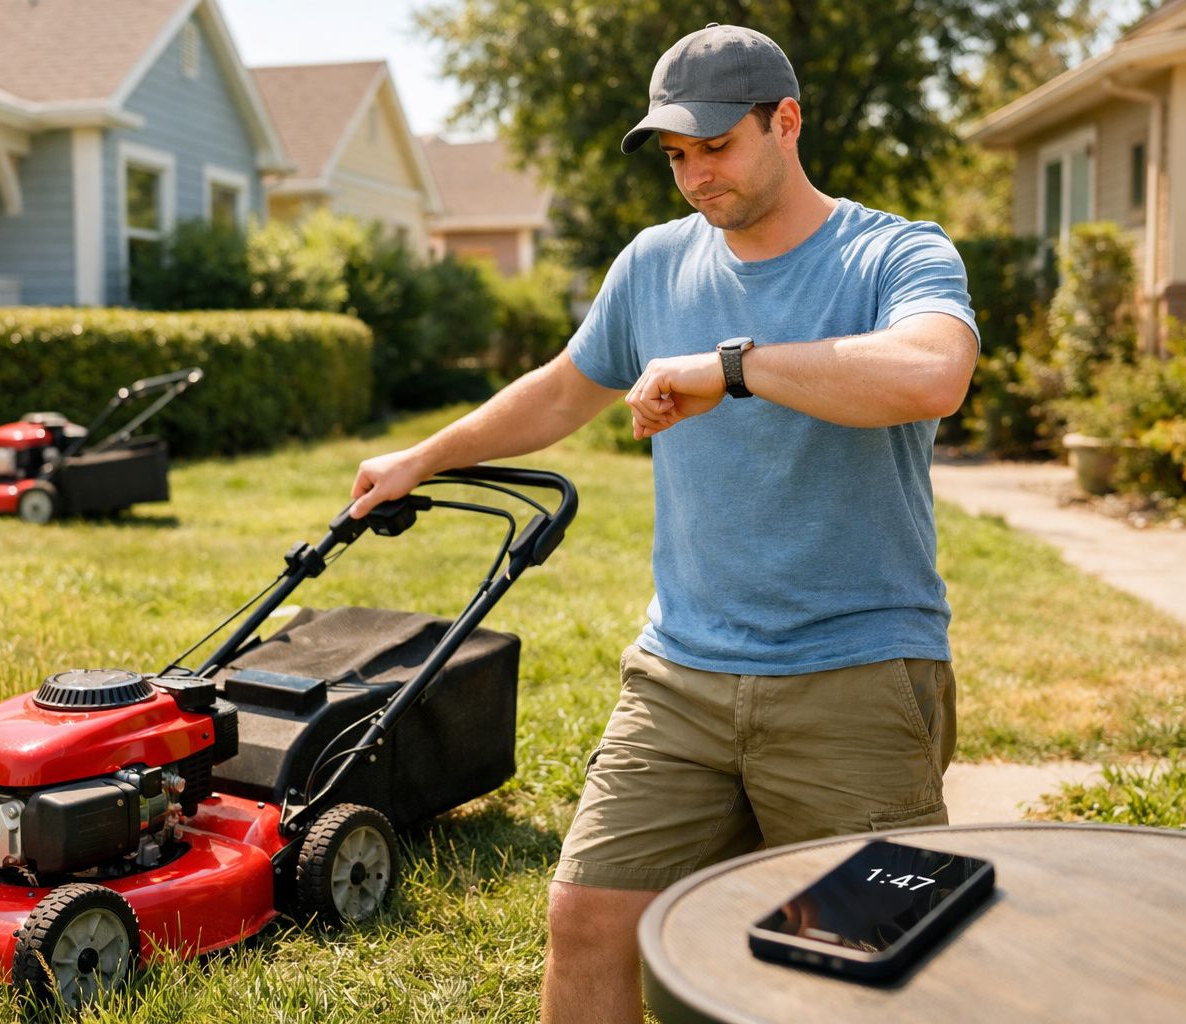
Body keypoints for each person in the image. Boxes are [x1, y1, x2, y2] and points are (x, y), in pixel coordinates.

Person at [348, 23, 978, 1024]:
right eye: (677, 156)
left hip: (855, 672)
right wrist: (422, 456)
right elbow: (562, 391)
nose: (694, 177)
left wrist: (733, 366)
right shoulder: (653, 265)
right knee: (588, 914)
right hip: (681, 674)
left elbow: (932, 372)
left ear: (786, 121)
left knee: (852, 963)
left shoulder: (891, 253)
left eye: (715, 148)